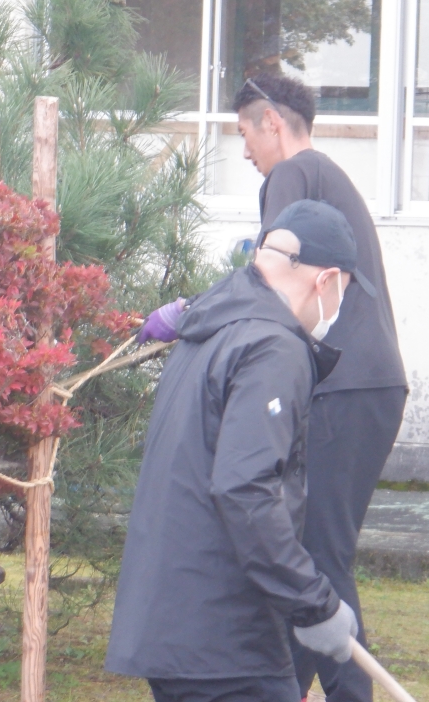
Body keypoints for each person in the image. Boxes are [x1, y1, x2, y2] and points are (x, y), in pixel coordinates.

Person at [107, 199, 370, 702]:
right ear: (326, 279)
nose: (339, 308)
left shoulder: (212, 329)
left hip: (182, 627)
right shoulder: (274, 347)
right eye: (345, 294)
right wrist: (315, 606)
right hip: (223, 640)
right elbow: (245, 489)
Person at [232, 73, 407, 702]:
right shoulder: (324, 173)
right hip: (362, 384)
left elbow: (271, 280)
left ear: (271, 122)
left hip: (346, 383)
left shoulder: (294, 172)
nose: (245, 150)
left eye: (246, 133)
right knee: (309, 550)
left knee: (318, 559)